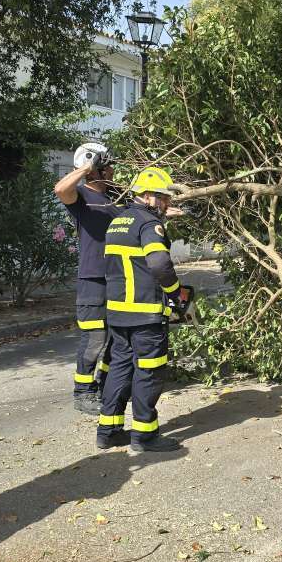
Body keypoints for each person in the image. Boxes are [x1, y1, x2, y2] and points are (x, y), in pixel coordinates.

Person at [97, 166, 184, 452]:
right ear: (149, 196)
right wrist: (175, 294)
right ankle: (145, 435)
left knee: (120, 368)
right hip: (145, 313)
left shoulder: (119, 222)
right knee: (149, 371)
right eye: (163, 198)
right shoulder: (149, 224)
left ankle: (108, 431)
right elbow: (159, 264)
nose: (167, 204)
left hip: (118, 313)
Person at [52, 140, 122, 414]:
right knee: (94, 336)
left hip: (118, 277)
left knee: (117, 337)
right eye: (108, 165)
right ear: (96, 169)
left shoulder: (115, 197)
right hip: (92, 278)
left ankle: (105, 384)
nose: (113, 169)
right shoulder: (80, 196)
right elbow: (60, 189)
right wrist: (86, 167)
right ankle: (83, 391)